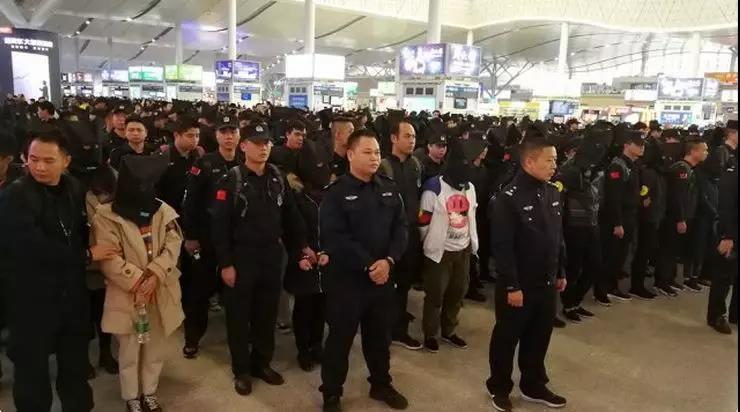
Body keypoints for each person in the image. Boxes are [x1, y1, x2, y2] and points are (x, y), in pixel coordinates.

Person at [0, 131, 117, 412]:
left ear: (66, 160)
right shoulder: (14, 196)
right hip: (30, 300)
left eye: (48, 160)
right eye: (33, 159)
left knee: (75, 370)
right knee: (31, 376)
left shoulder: (74, 188)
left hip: (71, 297)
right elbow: (29, 249)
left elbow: (79, 233)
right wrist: (85, 256)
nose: (39, 167)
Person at [210, 124, 309, 396]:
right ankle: (241, 370)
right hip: (242, 257)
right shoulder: (231, 180)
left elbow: (291, 215)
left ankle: (261, 363)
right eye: (256, 143)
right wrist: (226, 264)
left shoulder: (277, 177)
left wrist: (301, 246)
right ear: (243, 146)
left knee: (266, 313)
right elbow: (219, 227)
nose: (263, 148)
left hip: (271, 255)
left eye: (266, 143)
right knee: (239, 317)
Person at [319, 129, 409, 412]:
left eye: (378, 152)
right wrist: (370, 263)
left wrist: (389, 261)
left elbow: (401, 229)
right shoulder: (336, 193)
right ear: (350, 154)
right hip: (347, 281)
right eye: (367, 152)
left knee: (379, 337)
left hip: (382, 278)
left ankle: (381, 384)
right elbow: (335, 237)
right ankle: (331, 393)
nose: (374, 158)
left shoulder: (389, 187)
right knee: (340, 340)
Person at [93, 154, 184, 412]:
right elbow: (108, 257)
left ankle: (149, 392)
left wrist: (155, 274)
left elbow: (173, 243)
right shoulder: (106, 215)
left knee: (155, 348)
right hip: (127, 293)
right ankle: (132, 396)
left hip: (159, 288)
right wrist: (137, 282)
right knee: (130, 349)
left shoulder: (161, 210)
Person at [485, 137, 567, 412]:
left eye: (555, 160)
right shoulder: (508, 198)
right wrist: (512, 286)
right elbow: (502, 247)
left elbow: (557, 236)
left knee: (539, 336)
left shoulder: (552, 192)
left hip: (546, 282)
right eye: (549, 160)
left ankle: (533, 384)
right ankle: (498, 387)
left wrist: (561, 270)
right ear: (529, 161)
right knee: (507, 338)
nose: (554, 166)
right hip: (519, 284)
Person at [180, 116, 241, 359]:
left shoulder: (245, 162)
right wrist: (191, 235)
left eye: (232, 131)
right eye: (223, 132)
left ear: (239, 135)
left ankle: (239, 338)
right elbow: (191, 203)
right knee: (199, 291)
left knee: (236, 292)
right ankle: (192, 338)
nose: (229, 136)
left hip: (237, 239)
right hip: (207, 237)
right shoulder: (204, 164)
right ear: (216, 136)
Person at [418, 138, 478, 353]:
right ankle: (430, 333)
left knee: (457, 293)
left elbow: (471, 216)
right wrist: (430, 243)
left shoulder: (470, 187)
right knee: (435, 294)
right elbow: (423, 222)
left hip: (463, 249)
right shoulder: (433, 188)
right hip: (440, 252)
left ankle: (449, 330)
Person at [283, 142, 331, 371]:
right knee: (304, 307)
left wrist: (329, 250)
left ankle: (316, 344)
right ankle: (303, 349)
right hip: (303, 258)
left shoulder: (331, 193)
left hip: (325, 258)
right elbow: (287, 228)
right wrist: (300, 251)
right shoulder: (293, 194)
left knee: (321, 305)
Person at [378, 119, 424, 351]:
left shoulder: (415, 164)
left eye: (413, 136)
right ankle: (383, 331)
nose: (412, 140)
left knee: (404, 283)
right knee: (387, 286)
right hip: (389, 235)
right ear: (394, 138)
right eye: (407, 136)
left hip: (411, 233)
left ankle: (399, 330)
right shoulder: (383, 167)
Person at [655, 138, 709, 296]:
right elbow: (676, 197)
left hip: (686, 216)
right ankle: (662, 281)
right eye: (704, 150)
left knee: (675, 250)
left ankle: (669, 278)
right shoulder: (681, 169)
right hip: (674, 218)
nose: (706, 153)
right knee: (668, 249)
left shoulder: (691, 169)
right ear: (693, 151)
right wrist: (680, 218)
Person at [597, 130, 645, 305]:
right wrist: (617, 223)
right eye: (638, 144)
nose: (641, 148)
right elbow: (614, 197)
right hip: (618, 218)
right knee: (612, 255)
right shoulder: (618, 166)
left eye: (643, 145)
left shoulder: (633, 165)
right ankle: (603, 289)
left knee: (621, 254)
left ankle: (612, 285)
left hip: (630, 215)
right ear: (626, 145)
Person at [707, 148, 738, 333]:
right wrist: (728, 236)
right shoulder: (732, 174)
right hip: (731, 232)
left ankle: (736, 313)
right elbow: (726, 207)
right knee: (723, 276)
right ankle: (716, 316)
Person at [156, 116, 202, 215]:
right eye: (190, 136)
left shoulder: (198, 155)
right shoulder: (163, 155)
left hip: (191, 211)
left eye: (197, 136)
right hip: (167, 211)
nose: (195, 140)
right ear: (176, 135)